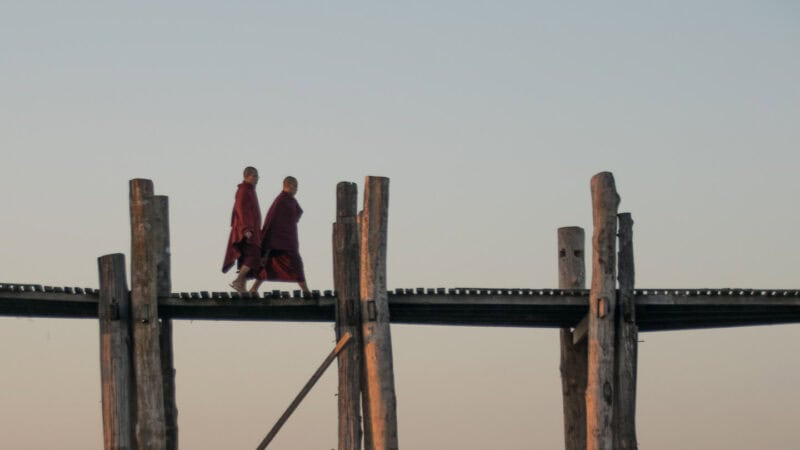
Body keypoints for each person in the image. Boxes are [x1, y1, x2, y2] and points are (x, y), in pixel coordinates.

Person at [251, 176, 310, 295]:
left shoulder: (291, 200)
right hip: (277, 240)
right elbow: (271, 220)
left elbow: (296, 215)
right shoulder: (281, 200)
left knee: (294, 263)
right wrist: (267, 241)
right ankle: (306, 290)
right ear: (288, 185)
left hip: (287, 239)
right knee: (271, 264)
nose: (296, 189)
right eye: (295, 186)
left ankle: (254, 288)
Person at [221, 166, 263, 293]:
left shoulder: (250, 190)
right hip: (246, 231)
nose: (257, 179)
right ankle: (238, 281)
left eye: (257, 176)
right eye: (254, 176)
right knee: (253, 256)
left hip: (252, 230)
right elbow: (240, 210)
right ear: (246, 176)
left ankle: (241, 288)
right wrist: (246, 229)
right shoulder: (243, 190)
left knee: (247, 258)